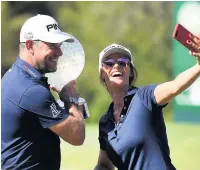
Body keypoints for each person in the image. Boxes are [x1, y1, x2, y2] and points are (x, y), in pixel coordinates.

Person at [94, 37, 200, 170]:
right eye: (109, 63)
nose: (116, 66)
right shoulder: (105, 122)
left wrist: (199, 66)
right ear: (102, 75)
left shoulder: (144, 96)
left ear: (131, 71)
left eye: (123, 62)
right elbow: (104, 164)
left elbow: (175, 86)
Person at [1, 14, 85, 170]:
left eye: (59, 45)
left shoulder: (13, 76)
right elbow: (76, 135)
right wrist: (71, 98)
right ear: (29, 45)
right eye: (52, 45)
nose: (59, 52)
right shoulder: (32, 90)